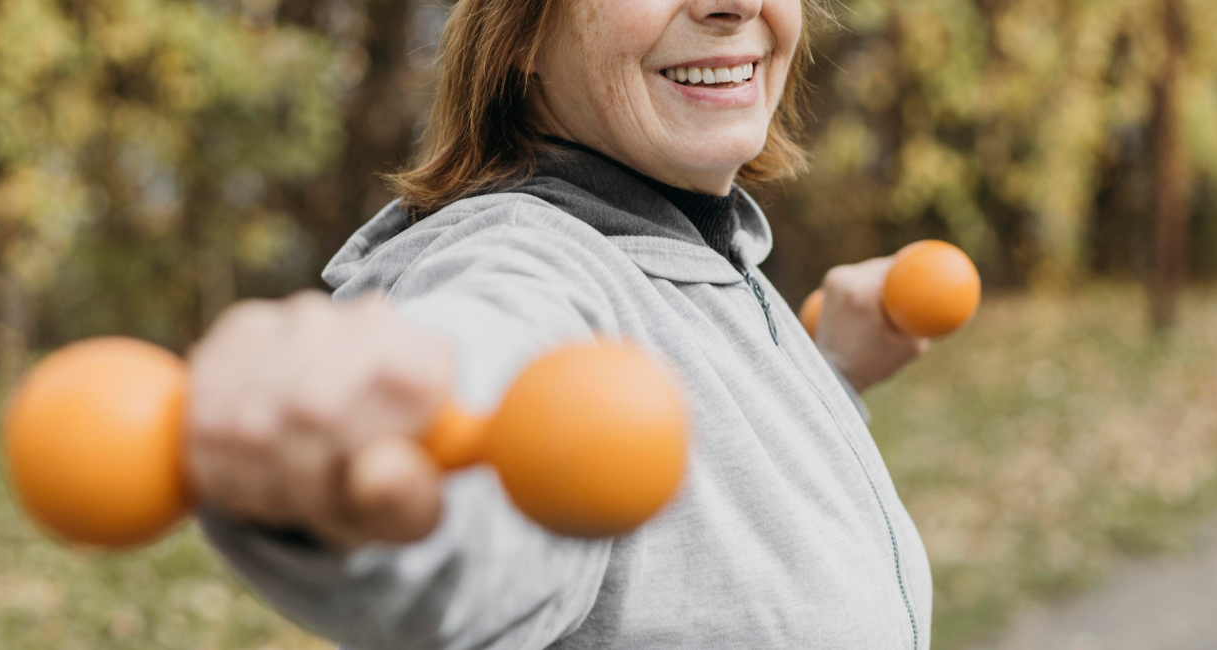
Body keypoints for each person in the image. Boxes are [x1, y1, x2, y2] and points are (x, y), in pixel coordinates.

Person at [190, 0, 936, 646]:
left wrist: (829, 372)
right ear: (520, 31)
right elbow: (488, 429)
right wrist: (365, 474)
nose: (734, 5)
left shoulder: (693, 242)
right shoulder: (522, 263)